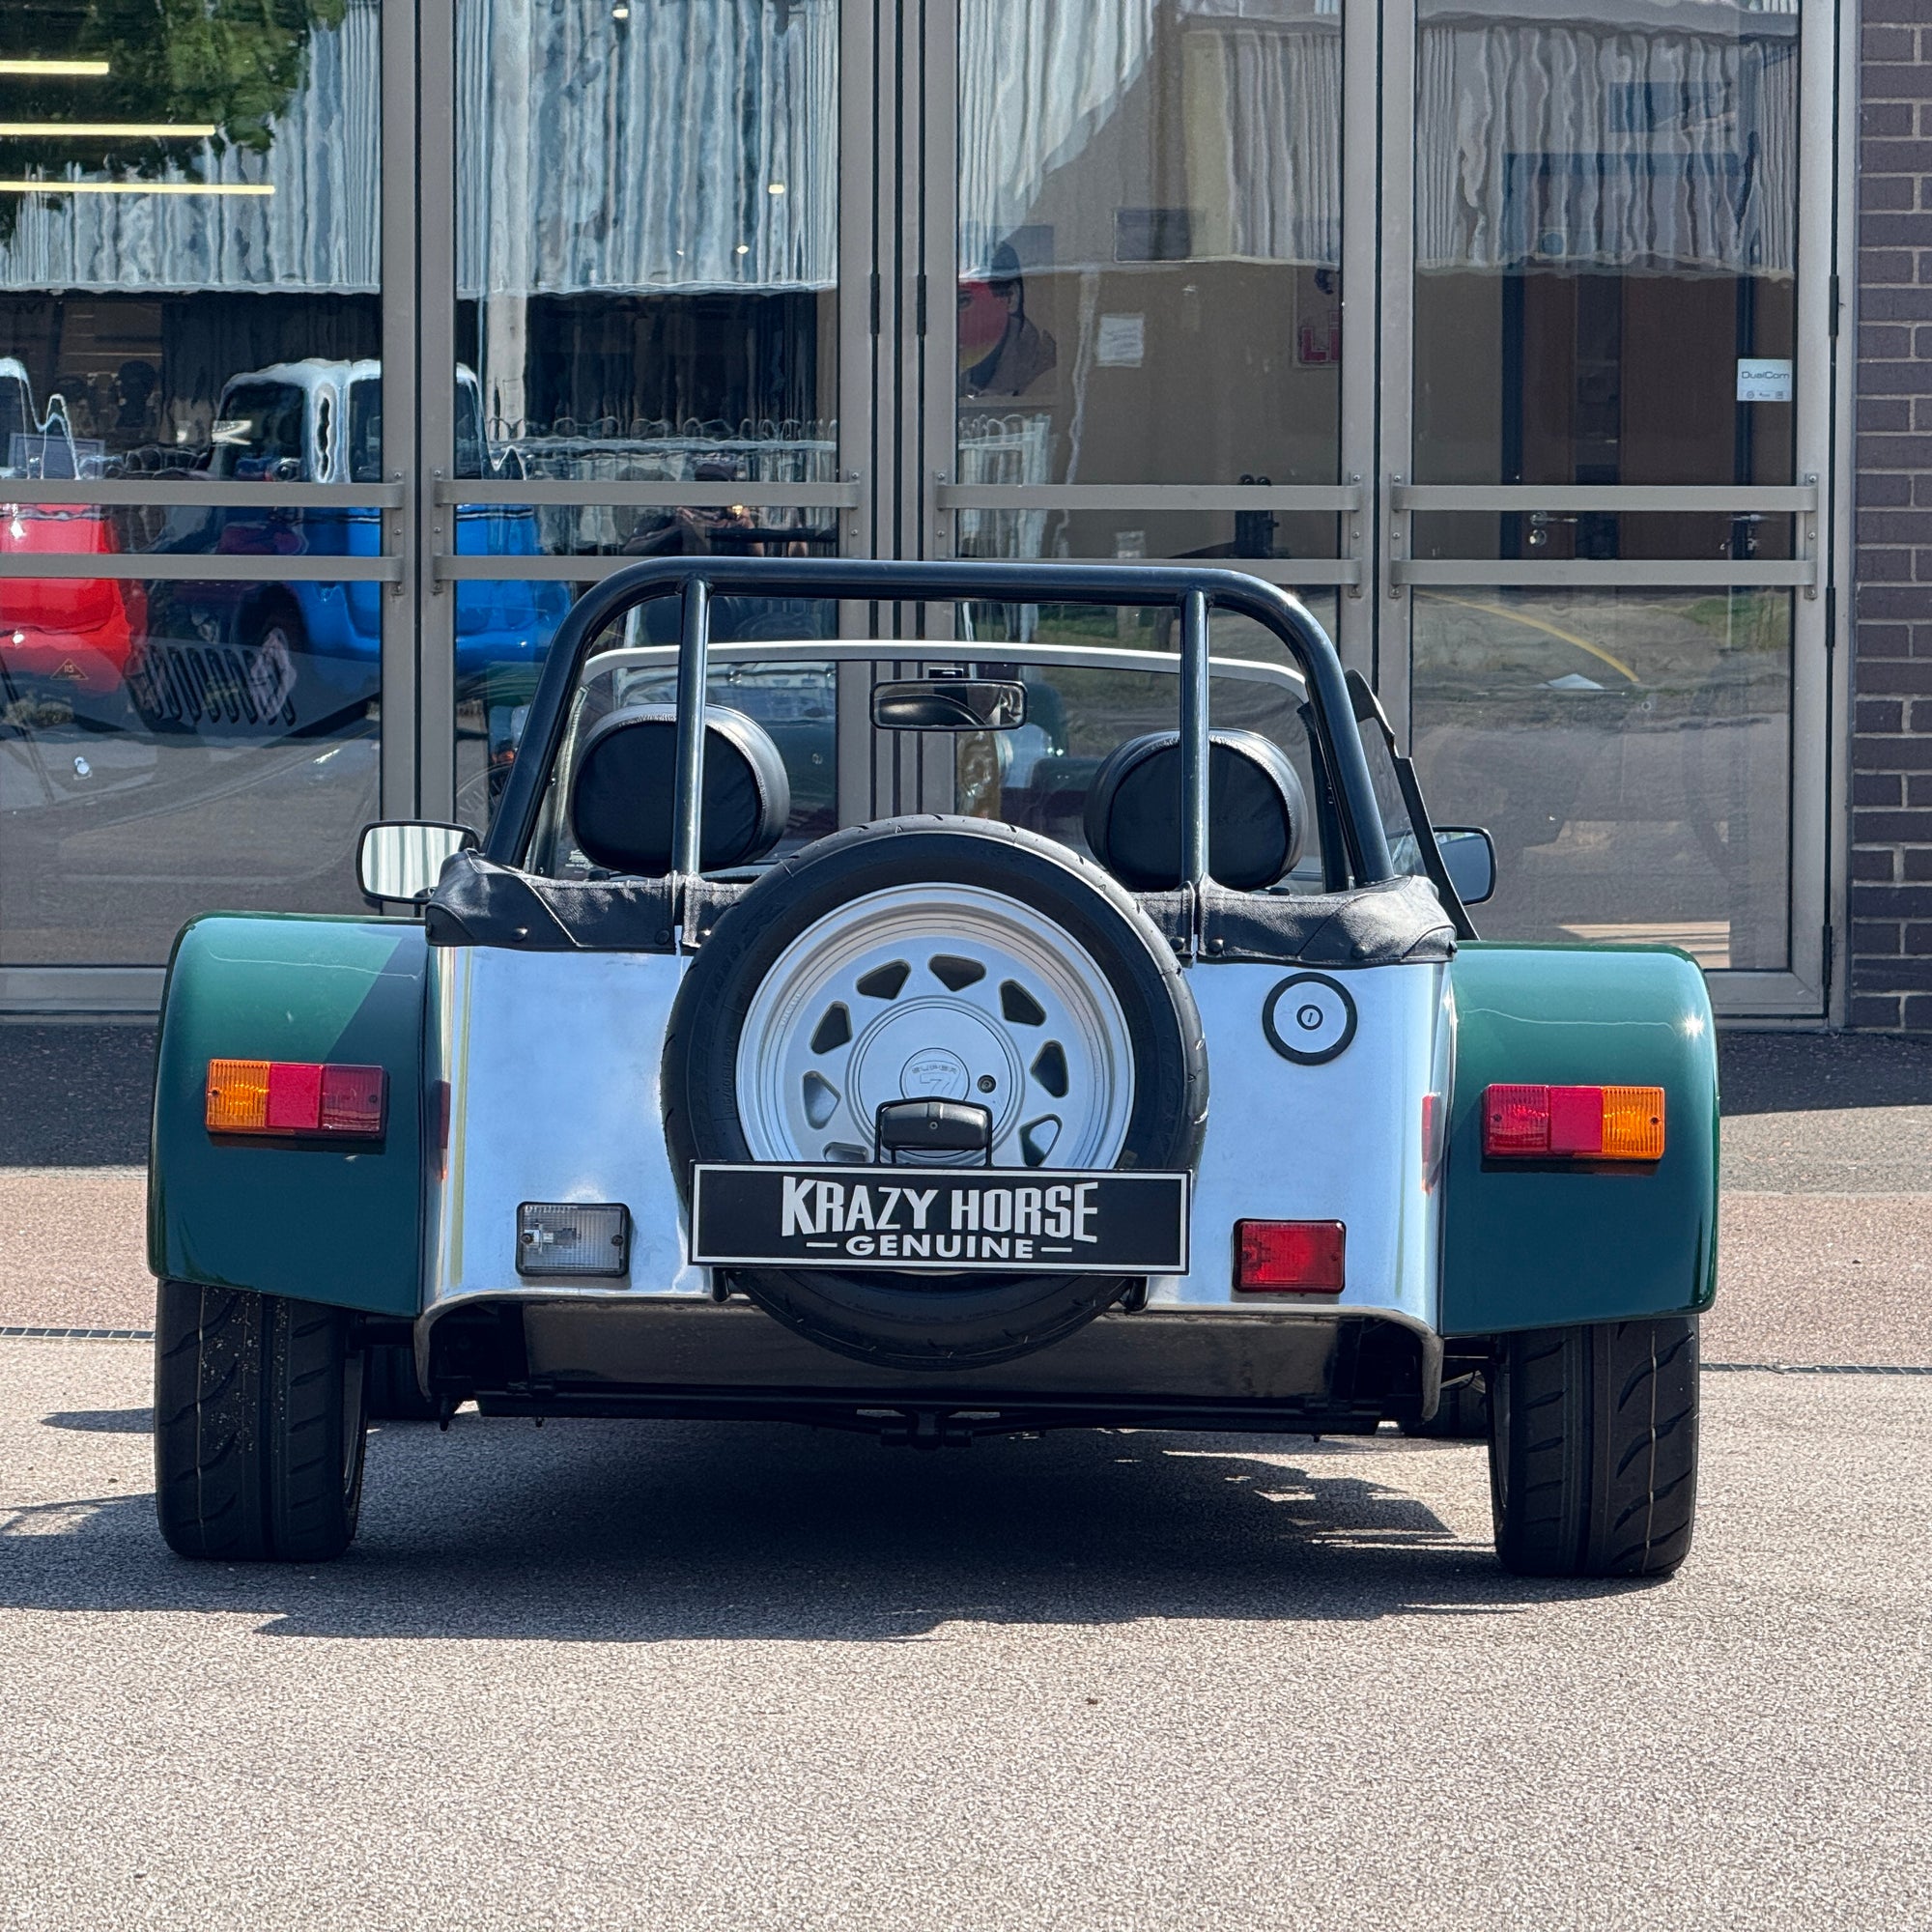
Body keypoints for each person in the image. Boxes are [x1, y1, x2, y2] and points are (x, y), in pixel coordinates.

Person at [957, 242, 1056, 399]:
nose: (954, 323)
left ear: (1011, 297)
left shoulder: (1046, 371)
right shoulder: (956, 373)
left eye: (963, 302)